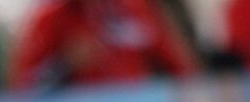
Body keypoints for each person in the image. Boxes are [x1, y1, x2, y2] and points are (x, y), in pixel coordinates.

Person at [10, 0, 200, 91]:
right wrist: (65, 64)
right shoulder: (51, 18)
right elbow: (23, 87)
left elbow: (181, 68)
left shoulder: (135, 9)